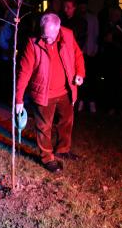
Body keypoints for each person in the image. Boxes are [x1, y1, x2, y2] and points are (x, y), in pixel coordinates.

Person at [15, 13, 85, 172]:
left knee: (66, 121)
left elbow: (78, 55)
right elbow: (24, 72)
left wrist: (80, 73)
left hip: (66, 90)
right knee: (44, 127)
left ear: (58, 29)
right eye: (43, 35)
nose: (46, 39)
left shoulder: (67, 35)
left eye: (50, 36)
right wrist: (19, 99)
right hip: (44, 93)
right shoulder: (33, 43)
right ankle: (47, 157)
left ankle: (63, 149)